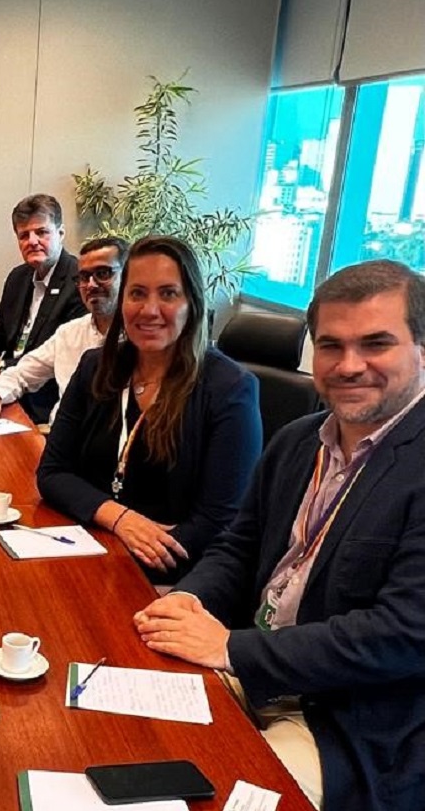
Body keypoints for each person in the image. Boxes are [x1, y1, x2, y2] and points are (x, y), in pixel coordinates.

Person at [134, 260, 425, 811]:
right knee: (124, 735)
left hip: (352, 719)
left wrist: (231, 646)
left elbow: (404, 633)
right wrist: (189, 599)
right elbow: (239, 547)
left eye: (376, 344)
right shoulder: (297, 440)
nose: (349, 365)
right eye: (331, 345)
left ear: (421, 348)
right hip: (254, 665)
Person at [37, 235, 261, 582]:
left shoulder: (228, 389)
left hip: (171, 577)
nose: (149, 310)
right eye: (137, 293)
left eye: (168, 294)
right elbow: (52, 473)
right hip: (88, 548)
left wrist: (124, 560)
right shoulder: (96, 368)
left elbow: (218, 523)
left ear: (192, 303)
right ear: (122, 300)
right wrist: (120, 519)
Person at [0, 194, 87, 422]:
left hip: (41, 402)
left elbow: (60, 360)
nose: (32, 241)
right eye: (24, 235)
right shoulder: (19, 277)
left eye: (41, 232)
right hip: (5, 389)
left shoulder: (80, 282)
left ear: (60, 233)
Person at [0, 236, 127, 423]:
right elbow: (22, 372)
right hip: (60, 438)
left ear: (128, 277)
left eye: (103, 273)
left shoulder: (140, 341)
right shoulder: (69, 333)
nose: (91, 284)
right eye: (83, 277)